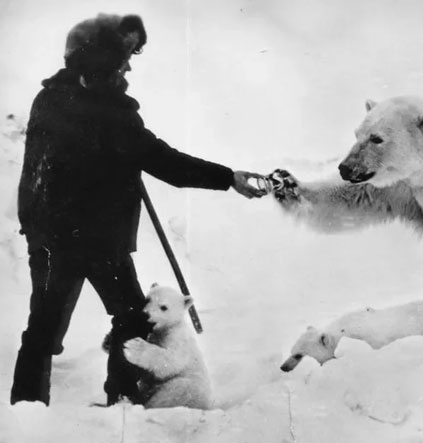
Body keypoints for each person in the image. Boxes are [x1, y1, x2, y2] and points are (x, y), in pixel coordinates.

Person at [11, 13, 266, 406]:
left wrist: (227, 176)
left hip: (74, 241)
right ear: (99, 58)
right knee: (100, 323)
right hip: (78, 242)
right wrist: (229, 177)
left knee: (101, 322)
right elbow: (164, 161)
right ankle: (97, 408)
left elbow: (36, 175)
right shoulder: (108, 111)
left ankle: (104, 407)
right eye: (124, 55)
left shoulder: (57, 99)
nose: (129, 64)